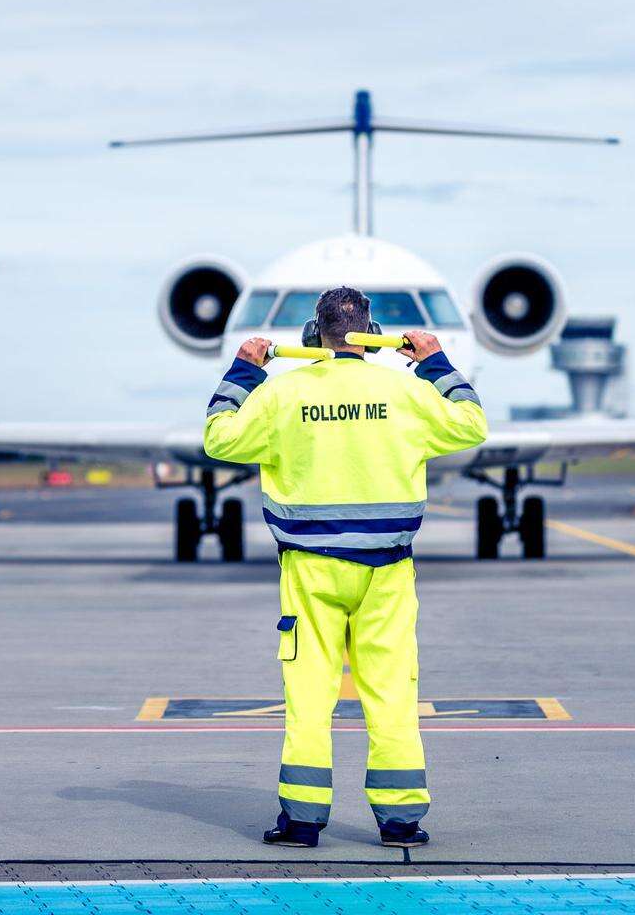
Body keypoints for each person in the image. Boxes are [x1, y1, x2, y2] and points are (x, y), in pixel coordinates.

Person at [203, 286, 488, 848]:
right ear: (368, 331)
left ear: (316, 333)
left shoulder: (285, 396)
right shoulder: (402, 392)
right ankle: (401, 818)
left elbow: (218, 438)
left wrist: (242, 372)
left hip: (311, 572)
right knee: (391, 695)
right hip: (386, 573)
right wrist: (433, 360)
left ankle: (303, 820)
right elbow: (471, 424)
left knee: (309, 697)